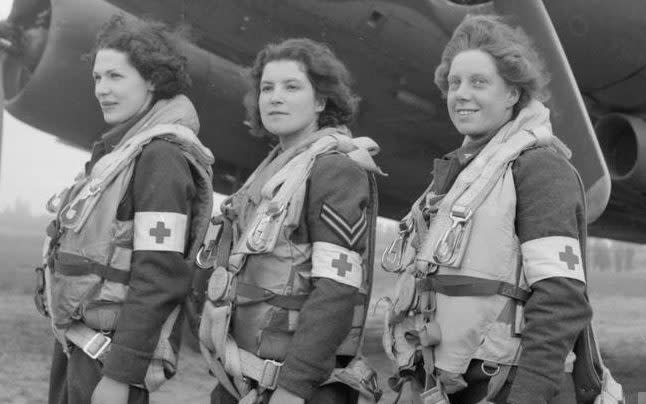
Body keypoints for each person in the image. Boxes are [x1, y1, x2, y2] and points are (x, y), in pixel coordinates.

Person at [381, 15, 601, 404]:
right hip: (445, 384)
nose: (461, 94)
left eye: (479, 82)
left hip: (502, 388)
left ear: (513, 94)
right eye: (454, 83)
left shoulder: (539, 168)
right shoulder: (458, 173)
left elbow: (561, 298)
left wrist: (528, 396)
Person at [36, 15, 215, 404]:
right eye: (98, 78)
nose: (102, 89)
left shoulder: (161, 159)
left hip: (109, 362)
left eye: (116, 77)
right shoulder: (120, 153)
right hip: (80, 350)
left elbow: (160, 275)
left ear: (151, 80)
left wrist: (122, 374)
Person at [197, 38, 383, 404]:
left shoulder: (335, 170)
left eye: (291, 87)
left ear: (320, 101)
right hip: (242, 377)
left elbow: (336, 291)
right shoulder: (274, 169)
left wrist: (294, 388)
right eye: (267, 88)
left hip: (297, 388)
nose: (275, 97)